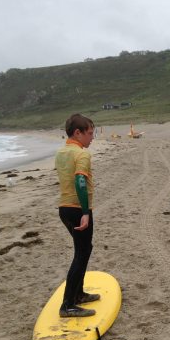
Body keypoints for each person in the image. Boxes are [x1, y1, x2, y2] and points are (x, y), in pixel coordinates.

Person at [55, 113, 100, 318]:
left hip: (64, 208)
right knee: (81, 254)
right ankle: (68, 304)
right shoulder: (82, 154)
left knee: (84, 249)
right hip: (77, 208)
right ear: (78, 132)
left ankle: (79, 294)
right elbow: (80, 181)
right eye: (90, 133)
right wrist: (84, 212)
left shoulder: (62, 153)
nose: (92, 137)